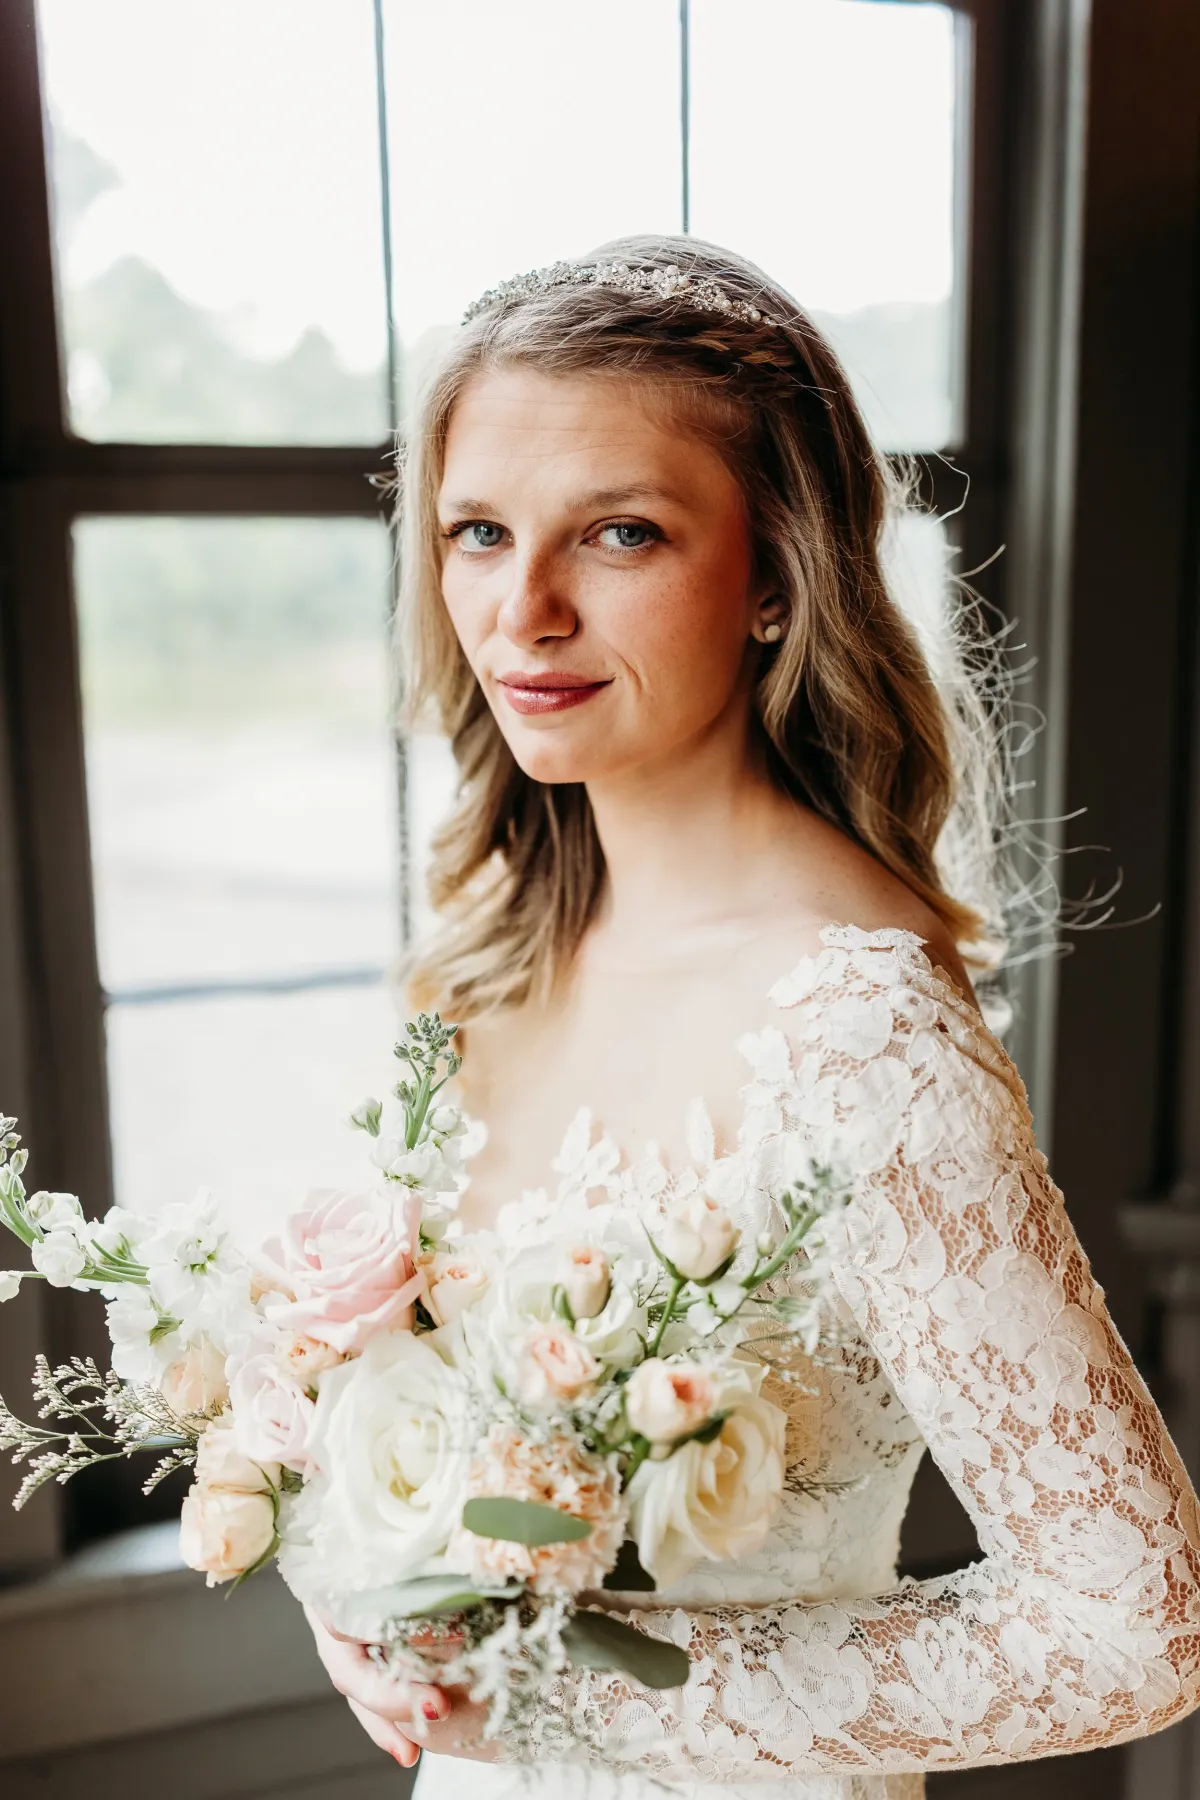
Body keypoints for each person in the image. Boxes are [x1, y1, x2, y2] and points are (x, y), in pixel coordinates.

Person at [303, 236, 1200, 1796]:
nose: (523, 613)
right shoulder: (497, 955)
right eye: (477, 533)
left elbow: (1134, 1628)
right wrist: (367, 1587)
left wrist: (573, 1694)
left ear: (778, 575)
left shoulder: (860, 1036)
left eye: (621, 534)